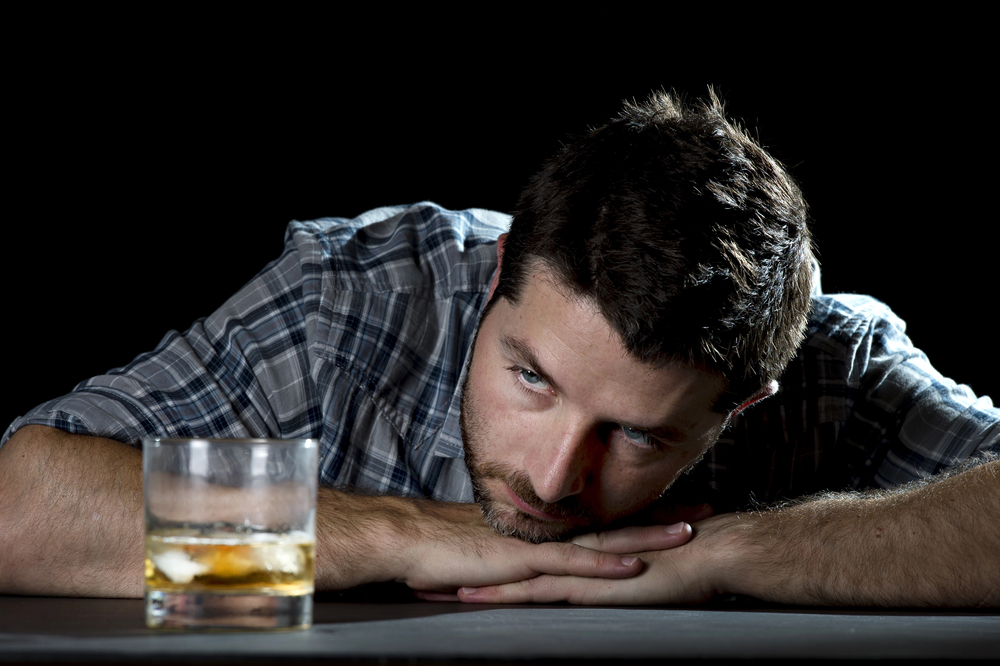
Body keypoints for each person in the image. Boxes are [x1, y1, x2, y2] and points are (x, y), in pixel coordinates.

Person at [1, 91, 997, 606]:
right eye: (532, 378)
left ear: (739, 404)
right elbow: (22, 512)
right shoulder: (353, 299)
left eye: (640, 438)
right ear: (496, 275)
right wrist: (396, 533)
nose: (557, 480)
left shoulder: (837, 366)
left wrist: (727, 555)